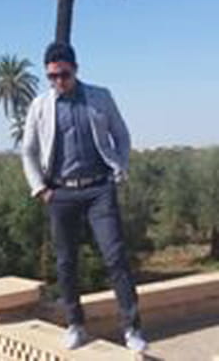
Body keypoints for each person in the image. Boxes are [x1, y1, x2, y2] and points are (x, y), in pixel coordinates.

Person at [21, 42, 148, 352]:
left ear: (75, 69)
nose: (58, 82)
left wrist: (120, 166)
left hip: (99, 189)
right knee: (66, 262)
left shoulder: (100, 97)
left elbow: (121, 134)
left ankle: (132, 328)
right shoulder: (40, 106)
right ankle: (75, 325)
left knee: (115, 257)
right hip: (60, 192)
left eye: (63, 74)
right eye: (52, 76)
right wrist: (41, 189)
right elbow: (28, 150)